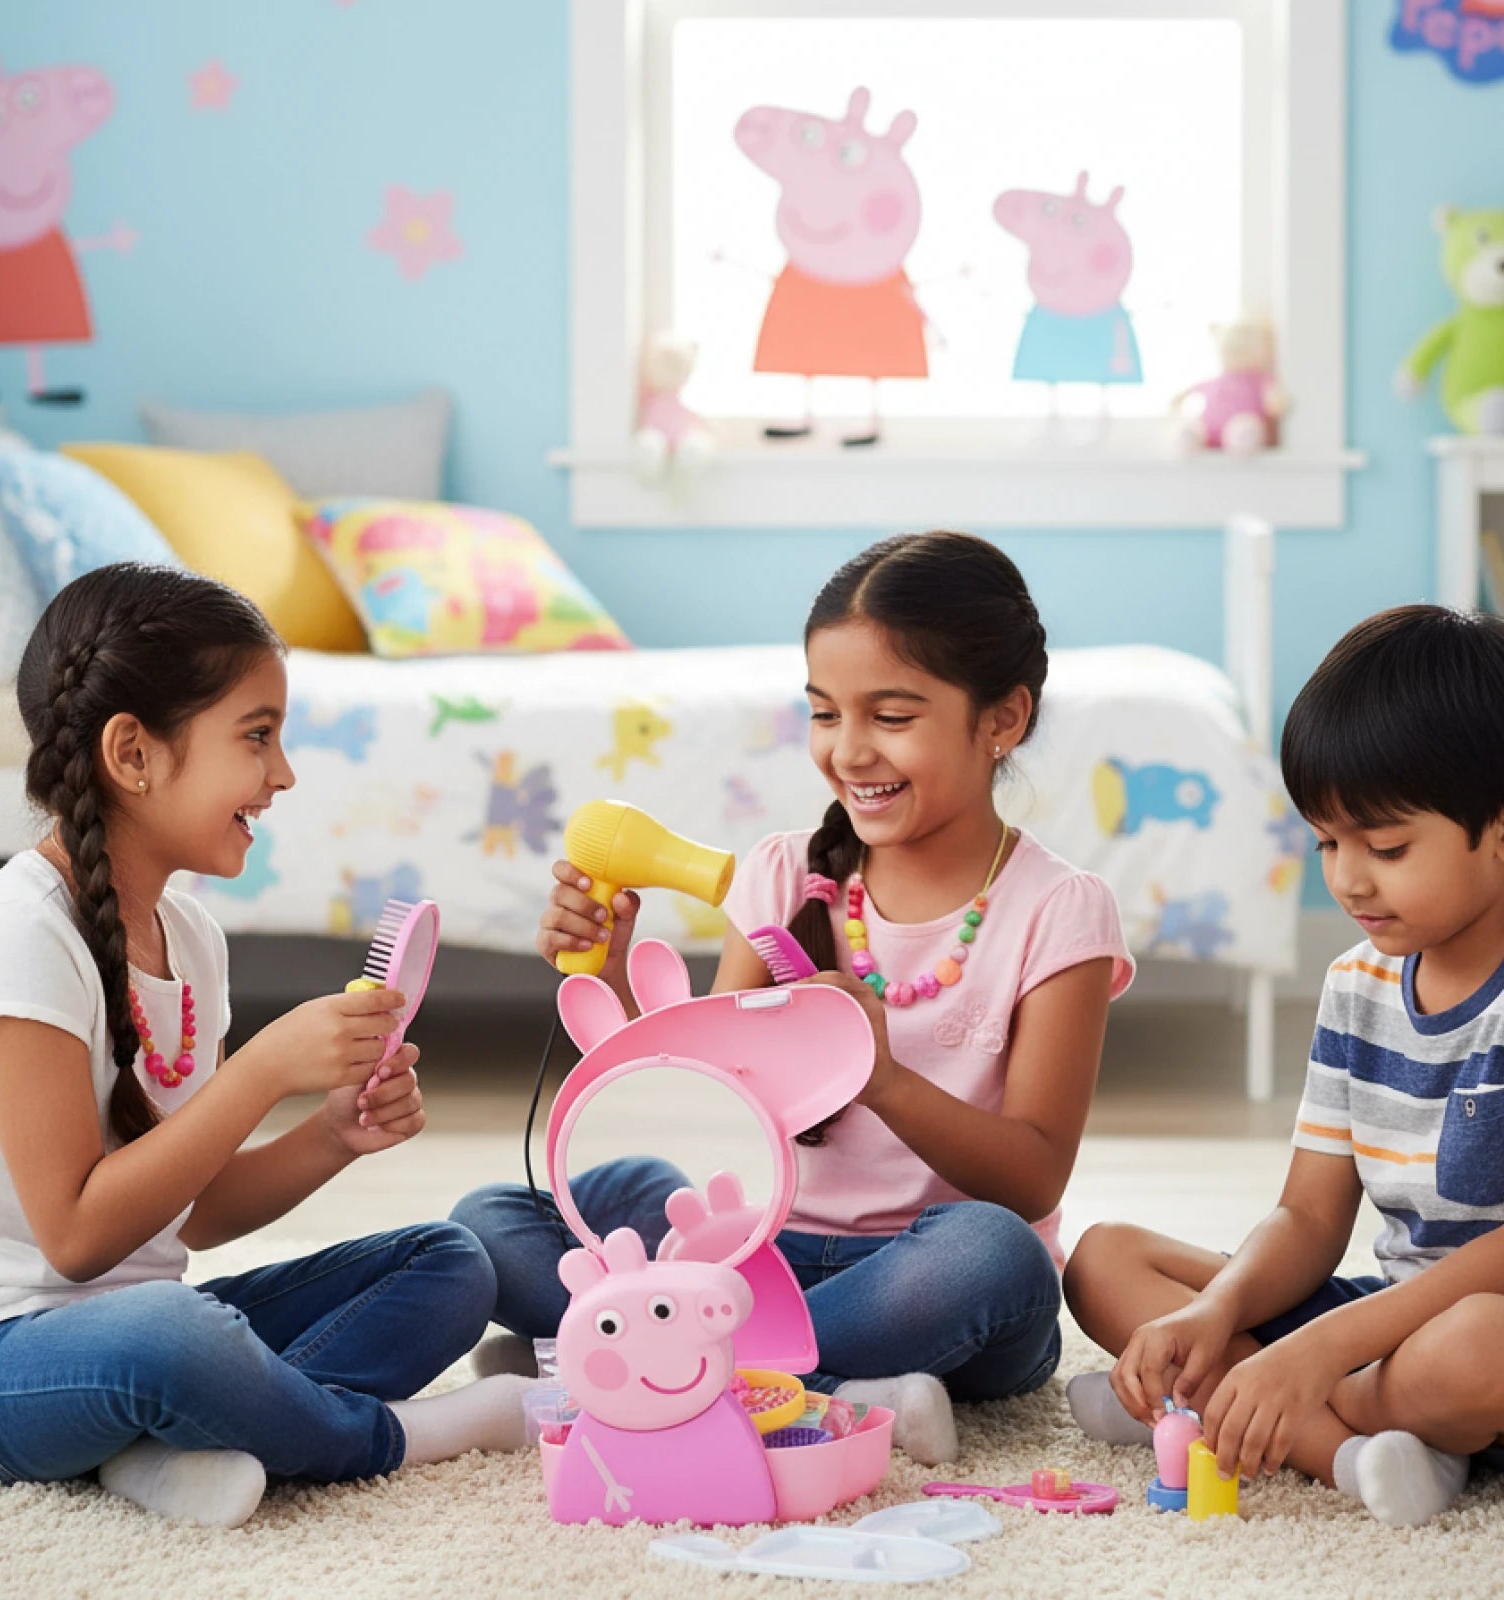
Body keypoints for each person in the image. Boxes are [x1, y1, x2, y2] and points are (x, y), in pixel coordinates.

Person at [456, 530, 1132, 1464]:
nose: (849, 750)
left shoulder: (1059, 910)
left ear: (1003, 719)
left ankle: (641, 1359)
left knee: (996, 1255)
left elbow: (1031, 1181)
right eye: (824, 713)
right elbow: (708, 1105)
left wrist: (880, 1077)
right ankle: (814, 1382)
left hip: (921, 1274)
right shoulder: (781, 875)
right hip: (751, 1254)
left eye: (890, 716)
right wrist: (608, 976)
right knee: (489, 1224)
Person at [0, 564, 523, 1528]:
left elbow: (187, 1217)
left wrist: (330, 1135)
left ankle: (171, 1445)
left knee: (450, 1265)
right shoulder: (17, 934)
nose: (283, 774)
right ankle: (397, 1435)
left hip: (140, 1340)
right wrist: (263, 1072)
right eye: (257, 736)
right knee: (176, 1336)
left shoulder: (191, 937)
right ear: (134, 753)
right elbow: (77, 1239)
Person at [1064, 605, 1504, 1527]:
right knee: (1106, 1260)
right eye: (1327, 843)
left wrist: (1311, 1355)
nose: (1347, 879)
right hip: (1385, 1323)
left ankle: (1236, 1407)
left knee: (1473, 1347)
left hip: (1478, 1333)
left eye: (1385, 848)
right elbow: (1309, 1217)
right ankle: (1356, 1452)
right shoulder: (1356, 984)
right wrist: (1218, 1311)